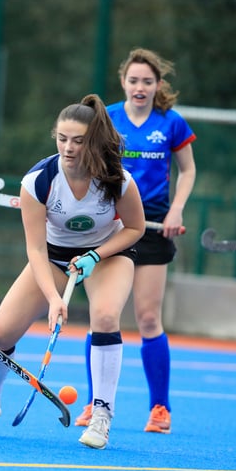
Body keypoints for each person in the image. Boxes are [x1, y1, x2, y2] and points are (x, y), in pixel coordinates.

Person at [0, 94, 146, 450]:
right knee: (0, 332)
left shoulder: (118, 180)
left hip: (108, 254)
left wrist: (95, 256)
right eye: (62, 138)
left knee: (104, 316)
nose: (68, 148)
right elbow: (36, 249)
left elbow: (135, 228)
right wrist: (54, 299)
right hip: (52, 257)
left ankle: (101, 413)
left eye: (79, 141)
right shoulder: (38, 181)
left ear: (95, 142)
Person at [75, 48, 197, 434]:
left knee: (147, 318)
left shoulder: (171, 122)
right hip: (112, 229)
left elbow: (188, 170)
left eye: (147, 81)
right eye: (133, 80)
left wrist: (176, 209)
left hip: (153, 228)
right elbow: (84, 161)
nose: (140, 87)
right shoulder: (106, 118)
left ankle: (160, 408)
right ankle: (97, 406)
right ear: (123, 82)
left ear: (158, 85)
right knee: (102, 318)